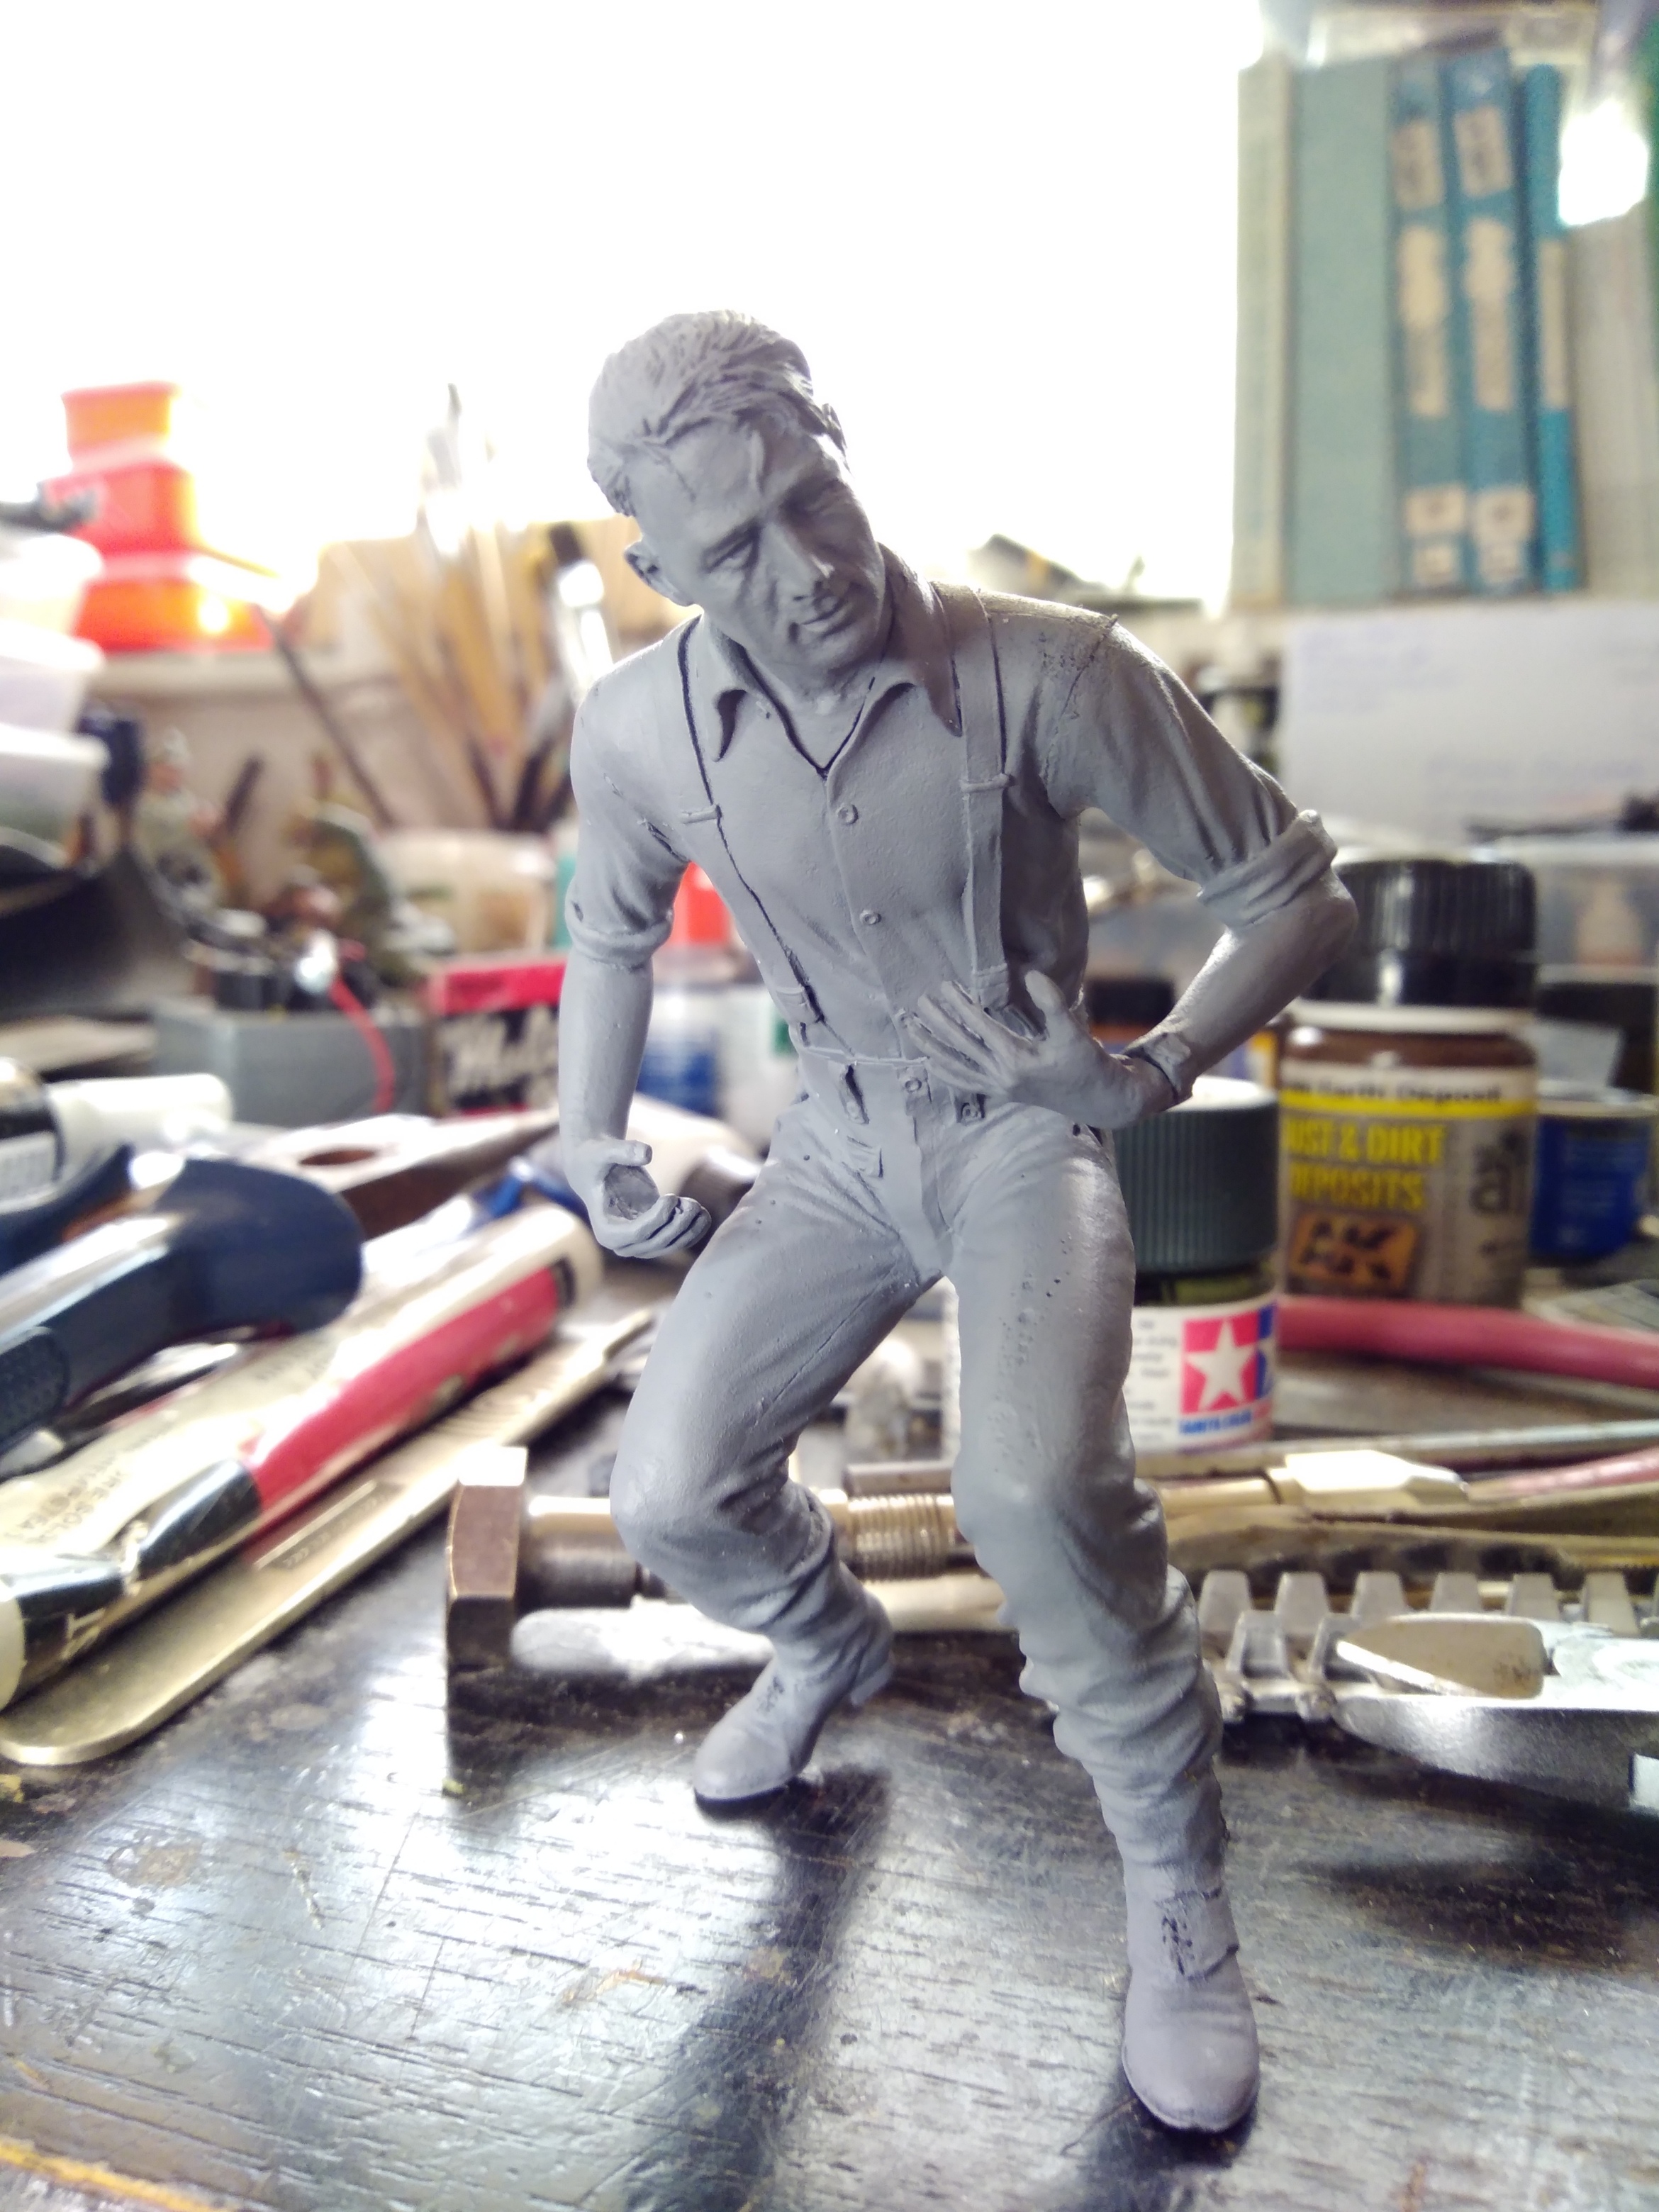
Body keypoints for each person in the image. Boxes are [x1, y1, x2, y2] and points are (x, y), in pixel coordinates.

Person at [552, 311, 1355, 2133]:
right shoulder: (639, 730)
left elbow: (1296, 891)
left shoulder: (1048, 672)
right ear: (662, 569)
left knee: (1032, 1494)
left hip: (1020, 1135)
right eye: (737, 545)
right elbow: (607, 934)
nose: (809, 566)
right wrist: (585, 1137)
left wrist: (1144, 1076)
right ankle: (826, 1640)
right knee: (666, 1489)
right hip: (836, 1145)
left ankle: (1179, 1893)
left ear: (840, 451)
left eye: (814, 498)